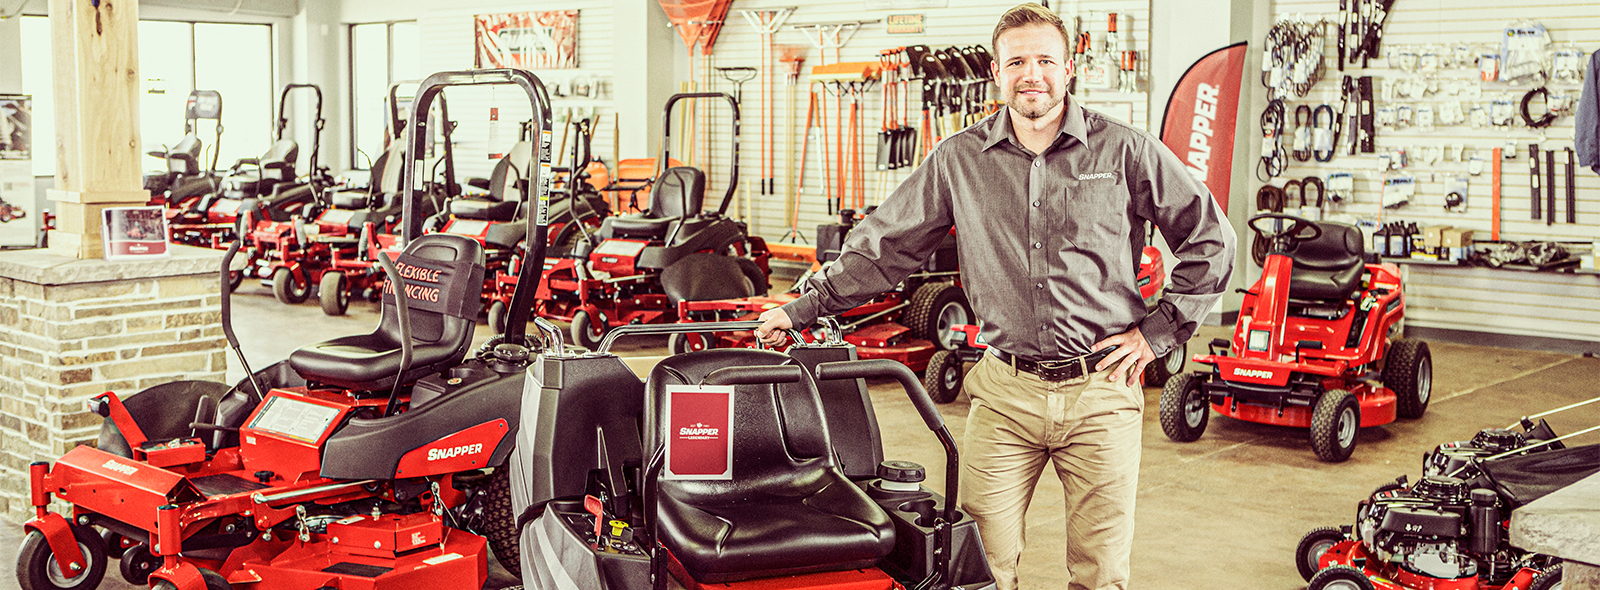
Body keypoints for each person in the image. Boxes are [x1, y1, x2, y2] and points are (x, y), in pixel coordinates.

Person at [754, 4, 1236, 589]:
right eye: (1016, 62)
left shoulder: (1126, 152)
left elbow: (1211, 238)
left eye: (1044, 60)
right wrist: (800, 307)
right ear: (996, 71)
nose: (1031, 73)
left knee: (1101, 573)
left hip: (1102, 393)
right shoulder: (959, 160)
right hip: (1005, 395)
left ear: (1069, 67)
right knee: (976, 567)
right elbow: (883, 250)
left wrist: (1156, 334)